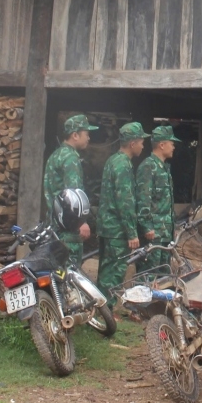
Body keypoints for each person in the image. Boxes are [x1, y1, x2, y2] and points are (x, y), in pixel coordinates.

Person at [97, 121, 148, 289]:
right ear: (132, 143)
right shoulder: (124, 165)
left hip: (107, 226)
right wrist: (132, 233)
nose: (142, 146)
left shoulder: (113, 160)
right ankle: (107, 311)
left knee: (106, 270)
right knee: (115, 272)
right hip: (117, 230)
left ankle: (101, 309)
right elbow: (125, 202)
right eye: (141, 142)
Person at [43, 115, 97, 255]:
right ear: (75, 135)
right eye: (87, 134)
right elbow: (72, 196)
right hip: (68, 229)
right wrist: (81, 223)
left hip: (54, 223)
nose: (89, 138)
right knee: (69, 272)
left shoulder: (56, 155)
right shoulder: (71, 158)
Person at [136, 124, 179, 273]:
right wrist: (147, 227)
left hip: (165, 234)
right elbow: (143, 199)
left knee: (164, 276)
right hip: (153, 234)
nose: (173, 147)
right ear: (162, 145)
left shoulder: (164, 167)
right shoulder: (148, 166)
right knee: (149, 275)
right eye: (172, 144)